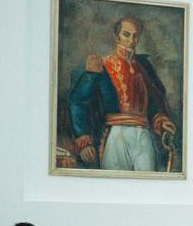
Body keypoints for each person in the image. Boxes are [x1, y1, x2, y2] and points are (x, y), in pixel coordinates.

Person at [67, 16, 180, 173]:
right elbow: (78, 101)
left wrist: (160, 120)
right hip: (116, 135)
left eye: (135, 36)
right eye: (126, 34)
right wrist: (83, 139)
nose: (131, 40)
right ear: (117, 36)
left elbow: (153, 100)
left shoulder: (145, 67)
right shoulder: (101, 65)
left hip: (144, 136)